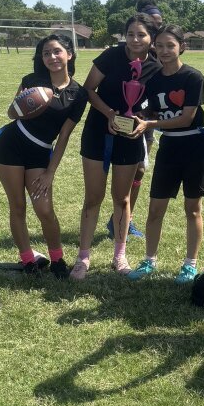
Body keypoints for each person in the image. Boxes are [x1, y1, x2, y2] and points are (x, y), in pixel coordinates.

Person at [71, 14, 161, 279]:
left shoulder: (156, 66)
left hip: (131, 137)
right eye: (131, 34)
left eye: (142, 35)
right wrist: (110, 114)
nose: (135, 39)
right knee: (93, 198)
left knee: (122, 199)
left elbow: (155, 104)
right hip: (98, 132)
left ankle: (119, 255)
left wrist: (143, 120)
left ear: (151, 38)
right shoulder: (111, 56)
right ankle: (83, 258)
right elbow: (88, 89)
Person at [0, 35, 87, 278]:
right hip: (10, 146)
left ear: (70, 54)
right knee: (18, 206)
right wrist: (28, 101)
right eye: (46, 53)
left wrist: (50, 172)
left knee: (44, 210)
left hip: (40, 151)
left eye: (57, 51)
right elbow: (11, 114)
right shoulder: (32, 80)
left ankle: (57, 259)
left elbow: (64, 136)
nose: (52, 57)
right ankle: (28, 261)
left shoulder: (79, 93)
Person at [127, 25, 204, 283]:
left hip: (194, 148)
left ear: (181, 47)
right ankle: (149, 260)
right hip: (169, 148)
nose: (164, 51)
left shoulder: (193, 77)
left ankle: (190, 264)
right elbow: (153, 111)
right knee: (155, 209)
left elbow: (186, 117)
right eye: (160, 46)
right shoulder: (153, 80)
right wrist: (138, 117)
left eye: (170, 46)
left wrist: (150, 124)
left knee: (192, 209)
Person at [107, 0, 165, 241]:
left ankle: (123, 219)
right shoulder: (122, 53)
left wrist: (149, 115)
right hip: (116, 121)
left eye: (158, 23)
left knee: (140, 171)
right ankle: (120, 217)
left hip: (144, 121)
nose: (156, 26)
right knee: (131, 169)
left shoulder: (160, 55)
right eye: (152, 22)